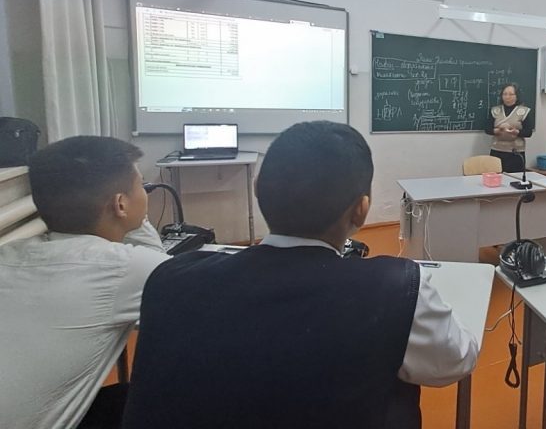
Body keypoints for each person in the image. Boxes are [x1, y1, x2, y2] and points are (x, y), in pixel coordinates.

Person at [122, 121, 479, 429]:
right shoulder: (396, 289)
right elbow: (456, 360)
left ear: (257, 189)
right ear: (361, 210)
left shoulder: (170, 279)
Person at [0, 136, 168, 429]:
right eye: (142, 185)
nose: (146, 192)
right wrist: (134, 216)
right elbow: (167, 277)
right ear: (120, 204)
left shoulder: (9, 253)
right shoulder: (125, 268)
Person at [485, 83, 534, 173]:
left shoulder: (524, 111)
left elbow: (528, 132)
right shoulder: (495, 110)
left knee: (515, 178)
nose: (507, 97)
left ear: (517, 96)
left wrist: (516, 132)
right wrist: (497, 131)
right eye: (505, 94)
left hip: (515, 152)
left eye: (511, 94)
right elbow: (487, 129)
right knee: (496, 177)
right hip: (497, 150)